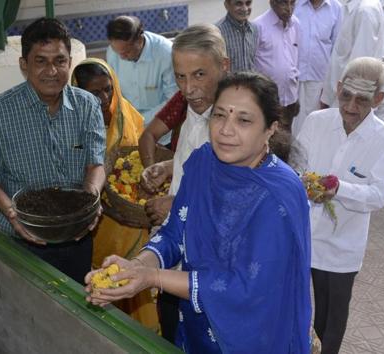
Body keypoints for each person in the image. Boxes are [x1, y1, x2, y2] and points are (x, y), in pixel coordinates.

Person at [86, 72, 312, 354]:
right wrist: (138, 266)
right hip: (198, 323)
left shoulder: (278, 195)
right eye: (219, 116)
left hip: (253, 337)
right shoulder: (204, 162)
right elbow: (175, 232)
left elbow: (246, 288)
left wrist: (153, 278)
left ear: (270, 128)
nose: (226, 130)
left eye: (243, 119)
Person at [0, 18, 106, 284]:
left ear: (70, 62)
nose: (52, 71)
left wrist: (91, 200)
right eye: (41, 61)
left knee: (77, 304)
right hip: (23, 235)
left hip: (75, 234)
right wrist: (12, 213)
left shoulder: (87, 105)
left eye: (60, 61)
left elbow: (95, 164)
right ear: (24, 65)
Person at [296, 57, 384, 354]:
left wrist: (339, 188)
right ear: (338, 88)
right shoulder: (317, 122)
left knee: (333, 312)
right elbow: (295, 165)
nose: (351, 107)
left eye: (362, 100)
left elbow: (380, 193)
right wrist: (302, 183)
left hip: (344, 243)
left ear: (378, 99)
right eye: (346, 96)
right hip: (306, 234)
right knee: (300, 302)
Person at [137, 24, 230, 344]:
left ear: (224, 66)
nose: (188, 88)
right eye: (180, 76)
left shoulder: (233, 124)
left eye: (199, 75)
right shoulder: (194, 106)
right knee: (171, 325)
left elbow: (234, 198)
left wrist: (176, 206)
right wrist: (168, 165)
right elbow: (193, 159)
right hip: (177, 244)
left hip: (208, 262)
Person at [70, 58, 159, 331]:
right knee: (105, 275)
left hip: (132, 219)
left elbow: (137, 162)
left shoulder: (127, 115)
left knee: (133, 276)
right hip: (99, 222)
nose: (103, 98)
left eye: (108, 89)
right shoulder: (73, 124)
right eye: (93, 93)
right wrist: (102, 204)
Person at [106, 16, 178, 146]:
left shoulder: (166, 53)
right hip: (129, 131)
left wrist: (139, 119)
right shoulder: (112, 53)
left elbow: (174, 99)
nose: (121, 57)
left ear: (139, 40)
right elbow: (115, 91)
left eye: (126, 52)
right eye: (118, 52)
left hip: (162, 131)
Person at [320, 0, 384, 108]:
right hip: (340, 95)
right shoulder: (355, 7)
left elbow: (359, 68)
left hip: (347, 99)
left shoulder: (365, 11)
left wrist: (347, 102)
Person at [293, 0, 342, 136]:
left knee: (312, 117)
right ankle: (289, 152)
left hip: (319, 74)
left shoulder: (336, 8)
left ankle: (305, 152)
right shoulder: (295, 3)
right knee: (291, 116)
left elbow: (337, 45)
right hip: (293, 72)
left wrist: (330, 81)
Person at [253, 0, 300, 132]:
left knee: (286, 140)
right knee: (268, 138)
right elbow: (252, 64)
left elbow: (295, 58)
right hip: (268, 99)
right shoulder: (258, 26)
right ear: (272, 2)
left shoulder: (296, 24)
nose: (289, 9)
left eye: (292, 3)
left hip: (290, 98)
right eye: (284, 3)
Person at [216, 0, 259, 72]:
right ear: (226, 5)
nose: (245, 9)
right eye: (238, 3)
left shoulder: (254, 29)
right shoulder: (217, 32)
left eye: (248, 3)